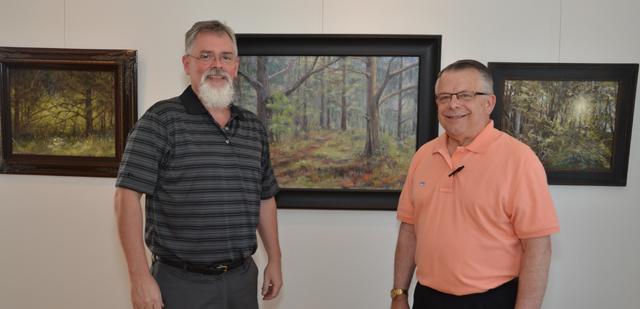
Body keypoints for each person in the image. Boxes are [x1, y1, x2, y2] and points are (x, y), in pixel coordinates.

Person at [114, 20, 282, 309]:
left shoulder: (253, 128)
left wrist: (275, 260)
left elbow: (265, 199)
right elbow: (126, 197)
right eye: (205, 56)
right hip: (181, 284)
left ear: (235, 65)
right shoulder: (160, 121)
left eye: (225, 57)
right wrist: (139, 277)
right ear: (187, 64)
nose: (216, 65)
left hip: (242, 281)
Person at [391, 60, 559, 309]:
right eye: (444, 97)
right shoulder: (423, 156)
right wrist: (399, 293)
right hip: (427, 298)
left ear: (488, 103)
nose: (453, 104)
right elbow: (409, 230)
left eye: (465, 95)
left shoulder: (520, 160)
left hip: (492, 300)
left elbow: (538, 248)